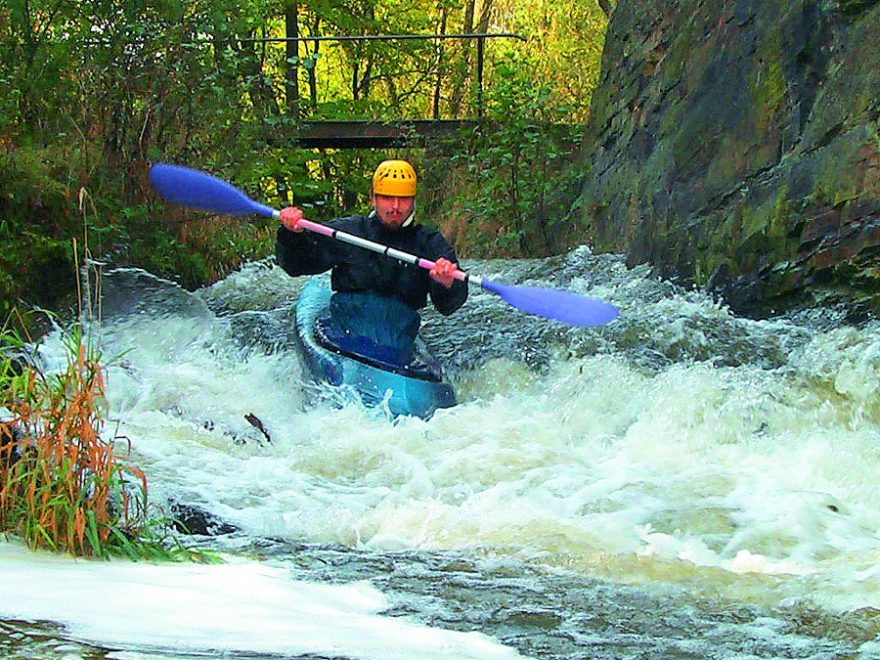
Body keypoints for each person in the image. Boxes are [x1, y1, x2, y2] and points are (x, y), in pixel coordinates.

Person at [275, 159, 468, 319]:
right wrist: (292, 235)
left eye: (403, 199)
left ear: (413, 201)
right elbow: (295, 266)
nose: (395, 207)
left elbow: (449, 306)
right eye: (387, 197)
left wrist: (447, 283)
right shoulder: (348, 231)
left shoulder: (429, 243)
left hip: (398, 334)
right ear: (372, 198)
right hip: (347, 328)